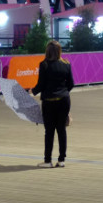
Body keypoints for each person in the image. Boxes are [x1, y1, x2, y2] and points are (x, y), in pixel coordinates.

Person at [32, 40, 74, 168]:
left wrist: (32, 91)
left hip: (49, 102)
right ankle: (61, 160)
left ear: (47, 51)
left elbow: (41, 85)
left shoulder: (44, 65)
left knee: (49, 131)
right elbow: (71, 84)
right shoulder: (66, 64)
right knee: (61, 130)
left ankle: (47, 160)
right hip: (64, 101)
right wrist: (63, 92)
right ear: (59, 51)